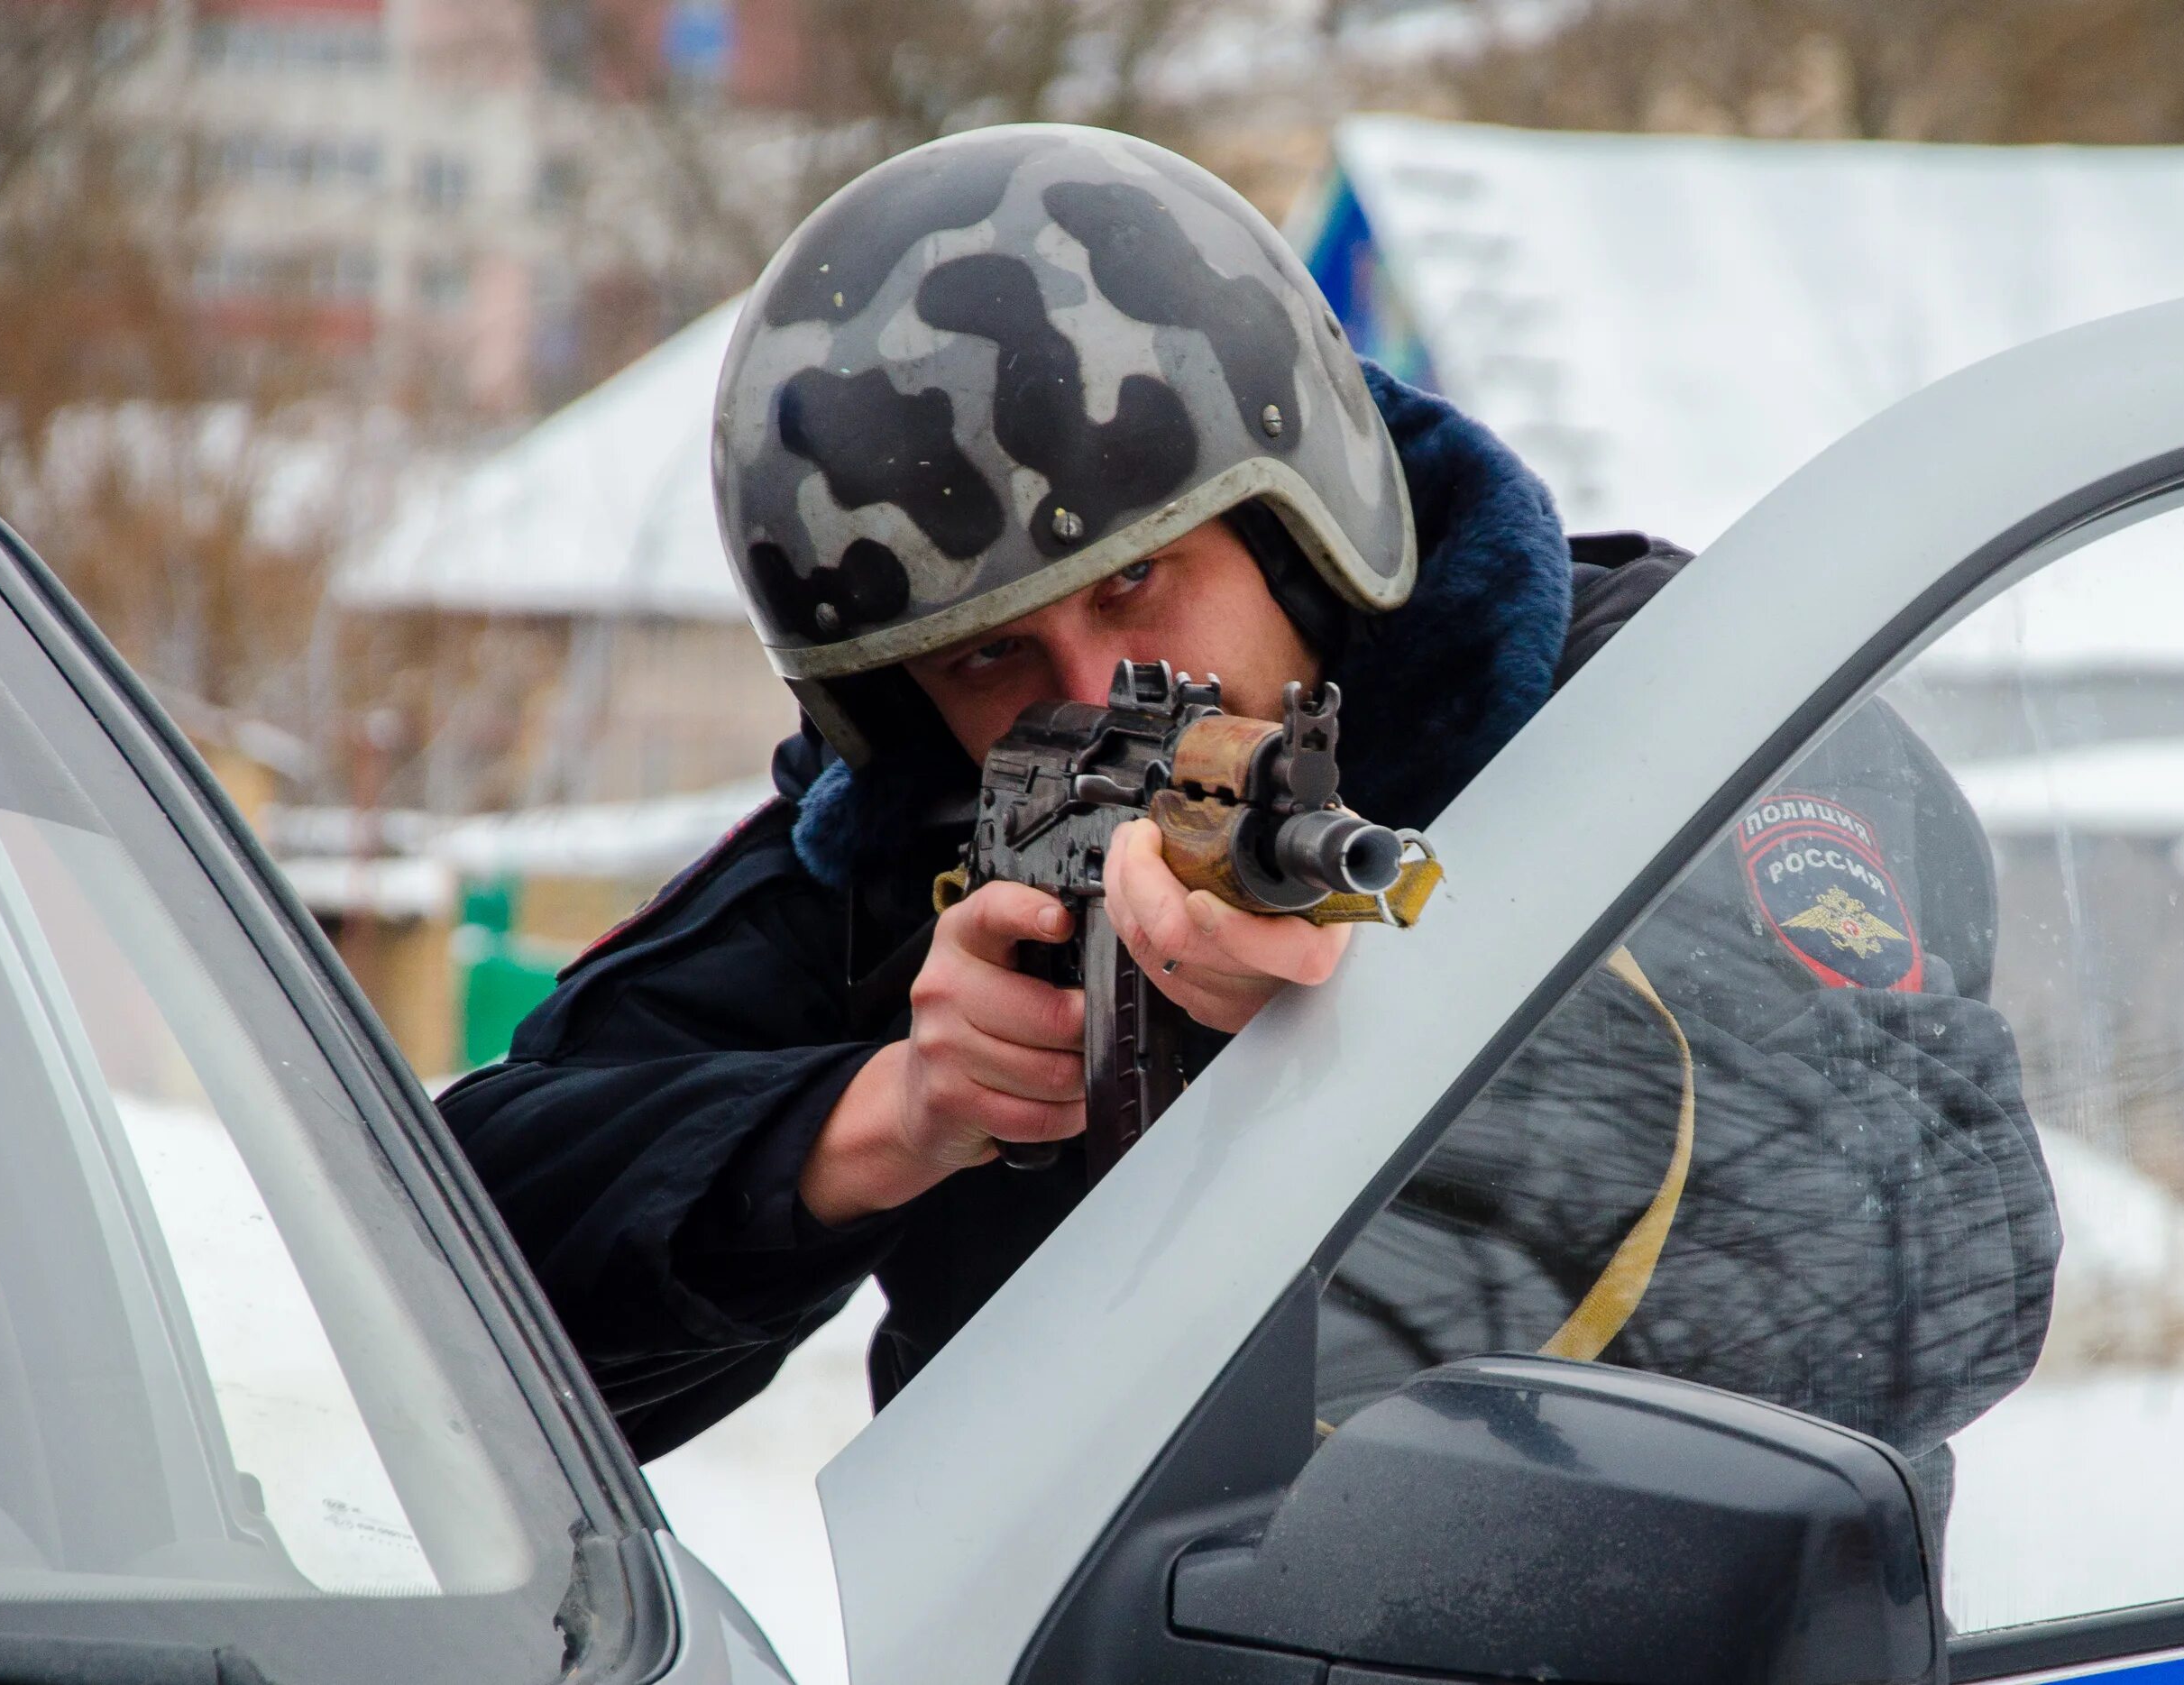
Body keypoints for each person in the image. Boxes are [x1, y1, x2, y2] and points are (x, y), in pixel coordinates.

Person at [438, 125, 2057, 1494]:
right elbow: (431, 1299)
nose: (1098, 685)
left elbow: (1933, 1260)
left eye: (1141, 575)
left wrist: (1414, 1035)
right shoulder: (913, 855)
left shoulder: (1692, 716)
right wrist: (878, 1118)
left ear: (1298, 528)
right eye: (996, 653)